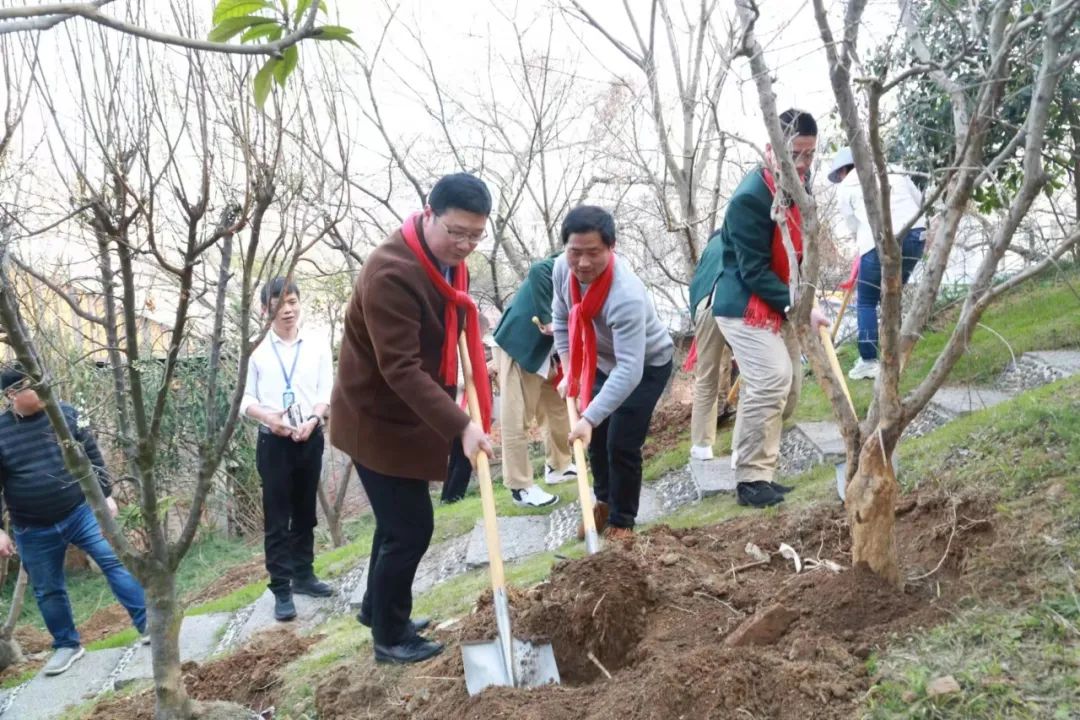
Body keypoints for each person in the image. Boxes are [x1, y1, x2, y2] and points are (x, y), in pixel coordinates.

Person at [331, 172, 494, 665]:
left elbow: (445, 322)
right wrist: (462, 424)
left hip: (407, 415)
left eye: (476, 235)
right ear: (429, 213)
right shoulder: (392, 273)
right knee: (410, 527)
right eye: (457, 232)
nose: (465, 244)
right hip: (376, 420)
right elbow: (399, 367)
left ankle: (378, 611)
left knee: (394, 523)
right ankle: (390, 636)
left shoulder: (445, 264)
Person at [706, 109, 829, 509]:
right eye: (794, 154)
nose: (802, 164)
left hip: (781, 298)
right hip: (744, 303)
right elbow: (753, 270)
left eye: (809, 155)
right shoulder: (748, 199)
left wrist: (809, 297)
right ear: (770, 149)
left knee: (790, 389)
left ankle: (761, 469)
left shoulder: (799, 187)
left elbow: (800, 249)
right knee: (772, 377)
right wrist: (799, 305)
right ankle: (751, 480)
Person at [0, 366, 148, 677]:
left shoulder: (66, 414)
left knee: (113, 560)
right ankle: (67, 645)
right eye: (31, 385)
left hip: (79, 511)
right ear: (11, 394)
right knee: (48, 589)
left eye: (42, 379)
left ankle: (149, 623)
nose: (41, 387)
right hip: (32, 527)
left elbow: (93, 454)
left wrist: (106, 495)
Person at [553, 205, 674, 540]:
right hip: (600, 361)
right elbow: (561, 320)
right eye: (575, 252)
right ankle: (603, 503)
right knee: (597, 442)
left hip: (646, 366)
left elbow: (630, 370)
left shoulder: (626, 296)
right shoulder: (563, 270)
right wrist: (568, 371)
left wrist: (588, 417)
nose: (583, 263)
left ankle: (623, 521)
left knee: (620, 442)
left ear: (611, 247)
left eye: (593, 253)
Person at [241, 277, 335, 622]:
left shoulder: (317, 344)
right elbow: (245, 399)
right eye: (280, 304)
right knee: (278, 518)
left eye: (293, 301)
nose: (288, 310)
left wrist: (313, 418)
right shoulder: (256, 349)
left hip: (310, 435)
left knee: (305, 511)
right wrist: (268, 416)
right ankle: (281, 587)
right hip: (274, 442)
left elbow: (325, 387)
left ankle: (304, 575)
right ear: (265, 310)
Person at [828, 147, 927, 380]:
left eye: (839, 174)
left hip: (878, 241)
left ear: (844, 169)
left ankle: (869, 360)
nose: (840, 179)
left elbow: (853, 225)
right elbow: (919, 201)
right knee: (891, 295)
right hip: (915, 235)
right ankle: (893, 351)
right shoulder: (892, 169)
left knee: (867, 301)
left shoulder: (847, 186)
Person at [491, 253, 577, 508]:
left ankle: (559, 466)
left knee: (557, 408)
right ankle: (520, 487)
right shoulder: (567, 260)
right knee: (517, 417)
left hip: (547, 352)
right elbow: (538, 270)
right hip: (518, 345)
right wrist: (549, 321)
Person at [686, 230, 732, 461]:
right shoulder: (740, 233)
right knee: (756, 375)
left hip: (705, 306)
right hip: (737, 303)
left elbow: (694, 287)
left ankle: (702, 446)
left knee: (706, 376)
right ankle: (745, 446)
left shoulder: (708, 252)